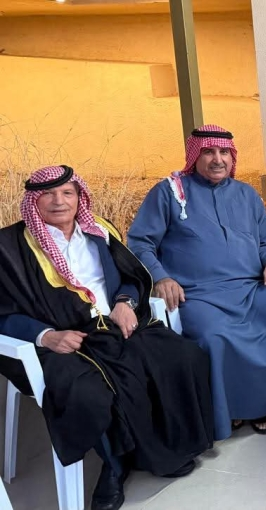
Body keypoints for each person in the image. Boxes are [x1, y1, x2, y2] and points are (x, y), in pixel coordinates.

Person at [0, 166, 214, 510]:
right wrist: (45, 336)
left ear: (79, 198)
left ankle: (162, 447)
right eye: (48, 194)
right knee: (90, 390)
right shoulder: (9, 248)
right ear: (33, 201)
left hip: (116, 323)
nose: (59, 201)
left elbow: (130, 275)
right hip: (64, 339)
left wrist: (125, 302)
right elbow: (3, 312)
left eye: (67, 193)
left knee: (183, 356)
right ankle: (114, 467)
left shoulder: (99, 230)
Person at [127, 125, 266, 439]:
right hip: (198, 295)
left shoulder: (246, 194)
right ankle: (230, 409)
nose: (218, 159)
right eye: (209, 152)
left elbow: (264, 242)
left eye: (224, 152)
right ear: (194, 156)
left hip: (251, 288)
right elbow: (140, 243)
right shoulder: (169, 192)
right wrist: (160, 277)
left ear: (233, 157)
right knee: (215, 336)